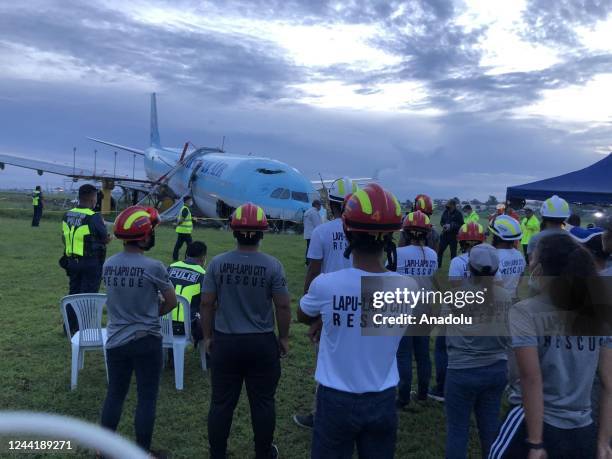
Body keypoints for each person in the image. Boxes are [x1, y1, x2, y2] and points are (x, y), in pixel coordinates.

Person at [298, 183, 413, 458]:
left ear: (347, 232)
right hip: (383, 398)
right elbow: (374, 318)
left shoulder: (326, 285)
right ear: (390, 239)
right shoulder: (407, 286)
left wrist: (328, 318)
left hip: (335, 399)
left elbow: (303, 315)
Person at [490, 234, 612, 458]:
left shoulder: (525, 311)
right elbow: (608, 382)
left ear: (542, 268)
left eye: (533, 259)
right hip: (582, 428)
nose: (530, 264)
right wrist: (604, 441)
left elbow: (530, 378)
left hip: (532, 422)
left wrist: (535, 442)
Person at [201, 202, 291, 459]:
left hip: (226, 342)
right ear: (263, 232)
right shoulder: (273, 265)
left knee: (220, 403)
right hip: (261, 343)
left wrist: (208, 337)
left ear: (233, 230)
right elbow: (283, 306)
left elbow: (207, 303)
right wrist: (283, 337)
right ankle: (263, 453)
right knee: (263, 403)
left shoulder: (217, 264)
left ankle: (217, 453)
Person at [100, 206, 177, 455]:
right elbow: (172, 302)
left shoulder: (108, 264)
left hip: (115, 341)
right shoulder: (154, 266)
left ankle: (103, 448)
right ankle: (142, 451)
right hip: (147, 341)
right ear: (144, 235)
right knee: (146, 398)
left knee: (115, 395)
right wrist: (150, 313)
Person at [294, 178, 355, 429]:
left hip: (328, 306)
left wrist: (312, 311)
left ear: (331, 203)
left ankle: (321, 415)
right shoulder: (363, 231)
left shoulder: (322, 232)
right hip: (359, 304)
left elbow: (313, 271)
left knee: (327, 364)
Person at [444, 244, 510, 459]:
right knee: (490, 428)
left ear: (469, 268)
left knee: (457, 430)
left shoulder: (455, 296)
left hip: (461, 370)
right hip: (496, 368)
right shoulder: (505, 296)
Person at [429, 221, 486, 403]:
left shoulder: (457, 262)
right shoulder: (489, 261)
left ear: (461, 242)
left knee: (442, 348)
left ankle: (443, 388)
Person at [395, 210, 438, 409]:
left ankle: (403, 397)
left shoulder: (398, 253)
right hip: (425, 310)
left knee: (403, 354)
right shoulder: (432, 254)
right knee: (422, 355)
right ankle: (422, 393)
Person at [62, 184, 110, 334]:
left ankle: (69, 327)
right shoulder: (94, 216)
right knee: (88, 296)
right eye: (96, 197)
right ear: (91, 198)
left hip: (71, 261)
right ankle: (83, 329)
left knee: (73, 294)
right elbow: (104, 238)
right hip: (90, 262)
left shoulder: (68, 214)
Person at [168, 241, 207, 345]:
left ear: (186, 255)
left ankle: (171, 356)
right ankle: (208, 356)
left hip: (165, 325)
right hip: (187, 327)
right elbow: (207, 304)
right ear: (203, 258)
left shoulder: (171, 267)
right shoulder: (203, 275)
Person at [489, 215, 526, 301]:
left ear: (497, 237)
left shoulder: (492, 257)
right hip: (514, 298)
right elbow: (520, 279)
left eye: (493, 234)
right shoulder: (519, 255)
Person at [438, 198, 464, 267]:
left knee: (453, 253)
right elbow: (441, 221)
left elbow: (461, 225)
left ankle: (453, 267)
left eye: (449, 206)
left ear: (454, 205)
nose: (448, 207)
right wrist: (444, 225)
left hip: (453, 236)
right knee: (440, 251)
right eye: (447, 206)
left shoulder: (458, 214)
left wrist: (451, 226)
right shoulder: (445, 212)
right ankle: (438, 266)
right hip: (444, 235)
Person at [172, 196, 194, 261]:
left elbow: (185, 218)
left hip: (182, 231)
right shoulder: (185, 209)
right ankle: (187, 259)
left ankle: (175, 258)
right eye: (190, 200)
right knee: (190, 246)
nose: (191, 202)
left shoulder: (184, 208)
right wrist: (176, 224)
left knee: (178, 246)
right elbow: (182, 219)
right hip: (185, 232)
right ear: (187, 201)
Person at [303, 200, 322, 265]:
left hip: (307, 233)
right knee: (312, 250)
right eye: (320, 205)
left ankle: (307, 262)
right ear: (317, 205)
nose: (320, 207)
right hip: (313, 234)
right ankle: (309, 263)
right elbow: (318, 225)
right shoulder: (314, 212)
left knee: (308, 248)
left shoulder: (308, 211)